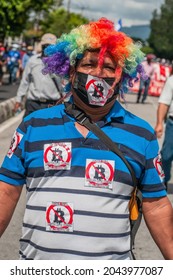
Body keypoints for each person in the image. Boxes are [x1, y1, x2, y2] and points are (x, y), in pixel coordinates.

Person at [0, 18, 173, 260]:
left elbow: (156, 205)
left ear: (120, 78)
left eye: (109, 68)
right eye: (89, 64)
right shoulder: (34, 125)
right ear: (71, 72)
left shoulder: (141, 133)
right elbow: (6, 191)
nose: (99, 74)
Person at [14, 33, 63, 117]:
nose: (48, 49)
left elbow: (64, 85)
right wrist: (18, 100)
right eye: (45, 46)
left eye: (51, 46)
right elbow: (25, 81)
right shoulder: (32, 61)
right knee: (28, 129)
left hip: (52, 105)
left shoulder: (60, 63)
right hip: (33, 105)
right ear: (41, 46)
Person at [155, 65, 173, 190]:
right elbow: (164, 102)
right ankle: (164, 179)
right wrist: (159, 123)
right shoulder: (171, 80)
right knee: (166, 155)